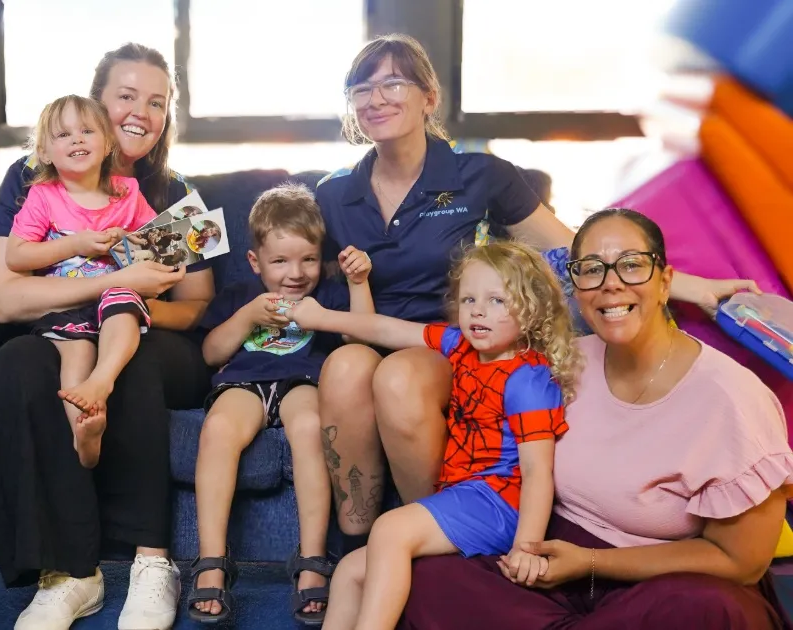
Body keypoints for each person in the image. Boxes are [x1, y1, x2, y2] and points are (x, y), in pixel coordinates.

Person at [313, 33, 760, 550]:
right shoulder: (333, 192)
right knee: (344, 369)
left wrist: (694, 288)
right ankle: (353, 541)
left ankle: (429, 536)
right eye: (361, 88)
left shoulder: (481, 176)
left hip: (452, 345)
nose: (376, 98)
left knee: (397, 377)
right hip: (365, 333)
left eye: (393, 82)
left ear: (428, 97)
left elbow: (578, 255)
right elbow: (300, 273)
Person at [397, 209, 793, 628]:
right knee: (431, 576)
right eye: (591, 270)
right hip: (548, 561)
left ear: (665, 282)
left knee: (706, 609)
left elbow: (741, 562)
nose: (610, 283)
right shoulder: (565, 362)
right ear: (576, 287)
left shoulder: (732, 397)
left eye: (631, 265)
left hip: (658, 579)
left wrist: (591, 562)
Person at [0, 43, 214, 630]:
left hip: (153, 336)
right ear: (94, 106)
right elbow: (8, 297)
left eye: (156, 102)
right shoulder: (35, 179)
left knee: (133, 360)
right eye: (126, 96)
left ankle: (151, 561)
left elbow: (195, 308)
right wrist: (115, 281)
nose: (141, 112)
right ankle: (69, 573)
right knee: (18, 365)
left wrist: (129, 301)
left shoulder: (169, 192)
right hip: (63, 326)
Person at [289, 242, 578, 629]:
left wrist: (526, 547)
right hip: (464, 493)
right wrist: (322, 317)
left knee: (389, 529)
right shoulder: (460, 345)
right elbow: (385, 328)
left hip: (499, 504)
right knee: (351, 570)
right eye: (469, 298)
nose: (477, 310)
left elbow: (539, 472)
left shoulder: (528, 378)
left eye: (496, 300)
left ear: (531, 312)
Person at [188, 184, 373, 625]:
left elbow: (361, 336)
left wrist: (358, 282)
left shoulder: (327, 292)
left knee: (311, 427)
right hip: (244, 382)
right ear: (255, 262)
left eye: (308, 259)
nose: (296, 273)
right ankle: (212, 559)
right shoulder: (239, 296)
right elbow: (211, 354)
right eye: (280, 261)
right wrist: (249, 315)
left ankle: (311, 559)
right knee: (217, 431)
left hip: (303, 380)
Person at [5, 94, 158, 469]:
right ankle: (84, 436)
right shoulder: (43, 197)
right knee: (75, 352)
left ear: (107, 144)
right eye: (63, 135)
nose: (76, 140)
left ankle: (101, 383)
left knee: (121, 301)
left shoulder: (128, 194)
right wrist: (75, 243)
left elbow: (157, 242)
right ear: (43, 152)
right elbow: (17, 255)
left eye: (87, 131)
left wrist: (149, 252)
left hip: (113, 300)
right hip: (65, 303)